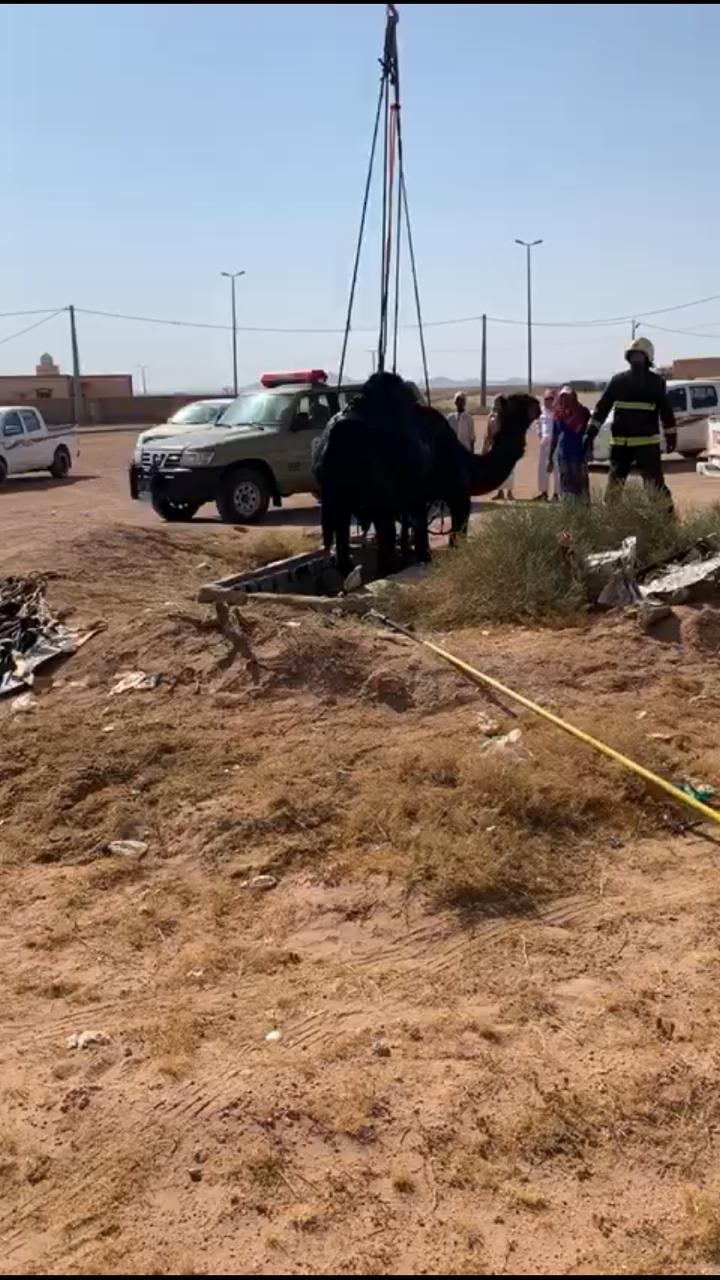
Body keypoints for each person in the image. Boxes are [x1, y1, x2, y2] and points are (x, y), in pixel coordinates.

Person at [586, 337, 675, 505]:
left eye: (638, 356)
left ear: (647, 357)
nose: (636, 360)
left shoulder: (653, 382)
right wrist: (590, 433)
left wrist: (671, 435)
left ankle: (665, 518)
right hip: (625, 446)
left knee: (653, 488)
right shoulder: (622, 381)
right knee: (615, 489)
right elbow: (602, 409)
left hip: (643, 446)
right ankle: (612, 519)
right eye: (633, 356)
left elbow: (666, 411)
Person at [548, 386, 591, 499]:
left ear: (573, 398)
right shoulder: (558, 414)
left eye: (567, 397)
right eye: (562, 397)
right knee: (566, 484)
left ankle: (582, 507)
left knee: (580, 484)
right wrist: (550, 457)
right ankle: (568, 507)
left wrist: (589, 450)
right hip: (563, 454)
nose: (564, 400)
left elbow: (589, 434)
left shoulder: (583, 412)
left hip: (579, 454)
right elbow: (555, 436)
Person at [485, 396, 515, 500]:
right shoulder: (491, 416)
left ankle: (510, 492)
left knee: (510, 470)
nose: (496, 404)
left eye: (498, 402)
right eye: (495, 402)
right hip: (495, 446)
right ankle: (500, 492)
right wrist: (485, 447)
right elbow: (488, 433)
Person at [534, 388, 559, 500]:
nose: (548, 401)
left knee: (557, 468)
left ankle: (556, 494)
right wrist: (540, 435)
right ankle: (543, 492)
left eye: (551, 398)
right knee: (542, 468)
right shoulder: (541, 411)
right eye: (546, 398)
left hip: (556, 442)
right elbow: (538, 423)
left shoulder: (559, 411)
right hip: (544, 442)